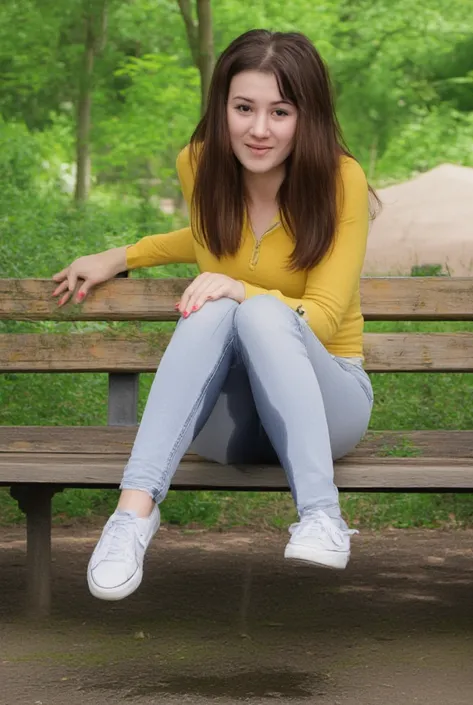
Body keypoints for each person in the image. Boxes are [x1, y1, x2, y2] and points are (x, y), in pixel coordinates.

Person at [52, 29, 375, 602]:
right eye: (243, 108)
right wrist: (122, 256)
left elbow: (323, 316)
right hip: (228, 426)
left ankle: (322, 516)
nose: (259, 129)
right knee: (210, 306)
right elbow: (213, 235)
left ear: (308, 117)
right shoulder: (199, 164)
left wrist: (242, 290)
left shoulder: (339, 180)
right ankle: (131, 517)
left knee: (249, 310)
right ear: (221, 106)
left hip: (328, 413)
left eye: (280, 111)